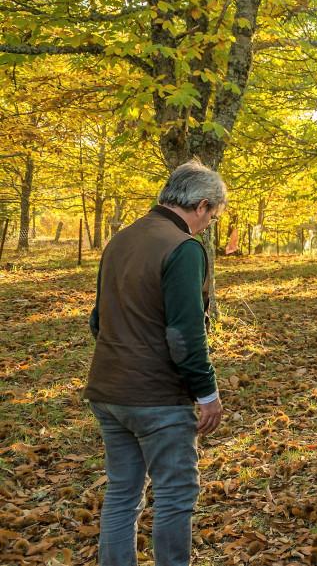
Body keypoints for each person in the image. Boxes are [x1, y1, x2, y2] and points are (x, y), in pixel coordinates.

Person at [84, 159, 227, 566]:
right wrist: (208, 394)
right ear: (200, 206)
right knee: (175, 496)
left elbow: (98, 320)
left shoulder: (121, 239)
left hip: (108, 390)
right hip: (157, 399)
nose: (208, 226)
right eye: (212, 218)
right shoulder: (183, 248)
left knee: (121, 496)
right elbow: (185, 334)